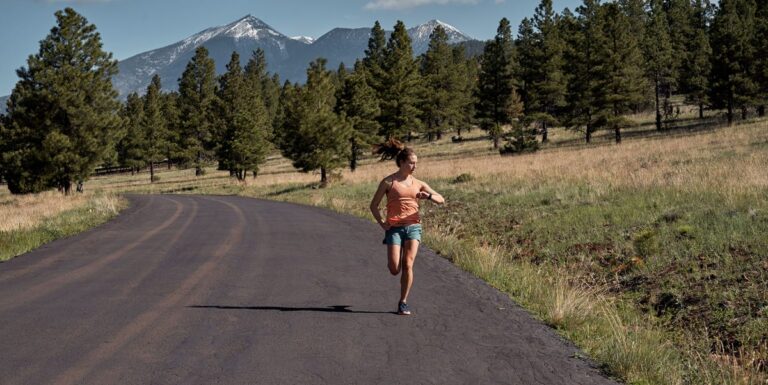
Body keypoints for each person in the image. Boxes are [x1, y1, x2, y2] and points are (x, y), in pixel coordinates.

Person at [369, 143, 444, 315]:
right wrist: (382, 223)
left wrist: (429, 196)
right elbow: (373, 206)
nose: (415, 166)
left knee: (408, 264)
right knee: (395, 269)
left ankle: (403, 302)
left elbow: (441, 199)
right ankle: (390, 246)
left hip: (413, 227)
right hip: (394, 228)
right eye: (411, 162)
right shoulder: (388, 182)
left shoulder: (419, 183)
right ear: (402, 162)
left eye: (416, 163)